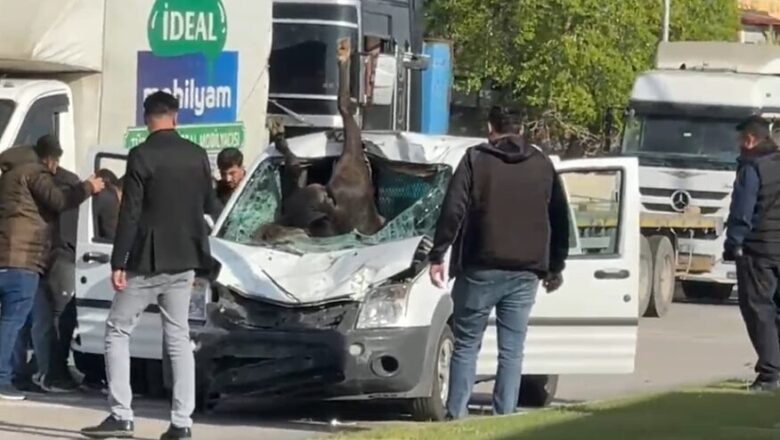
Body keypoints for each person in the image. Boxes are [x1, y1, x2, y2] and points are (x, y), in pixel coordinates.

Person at [81, 91, 219, 440]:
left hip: (146, 261)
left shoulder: (141, 155)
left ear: (147, 118)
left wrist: (118, 260)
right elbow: (209, 204)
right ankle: (182, 423)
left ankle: (122, 415)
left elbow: (131, 212)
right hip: (185, 260)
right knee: (178, 337)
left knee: (117, 330)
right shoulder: (197, 155)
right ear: (176, 116)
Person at [427, 105, 570, 419]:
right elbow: (560, 217)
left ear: (490, 127)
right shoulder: (542, 164)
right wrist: (555, 265)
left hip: (480, 266)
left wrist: (438, 254)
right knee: (512, 350)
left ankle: (457, 415)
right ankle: (504, 415)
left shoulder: (475, 160)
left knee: (466, 345)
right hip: (526, 271)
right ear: (521, 129)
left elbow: (453, 210)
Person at [0, 139, 103, 401]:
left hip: (10, 258)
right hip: (22, 259)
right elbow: (58, 200)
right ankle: (3, 379)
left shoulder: (9, 175)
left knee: (22, 320)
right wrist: (88, 187)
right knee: (13, 321)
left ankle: (19, 376)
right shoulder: (33, 172)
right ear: (50, 159)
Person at [723, 115, 780, 392]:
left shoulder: (752, 168)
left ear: (749, 139)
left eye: (740, 141)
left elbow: (742, 211)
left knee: (759, 311)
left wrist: (733, 243)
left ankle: (770, 375)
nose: (738, 147)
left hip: (759, 250)